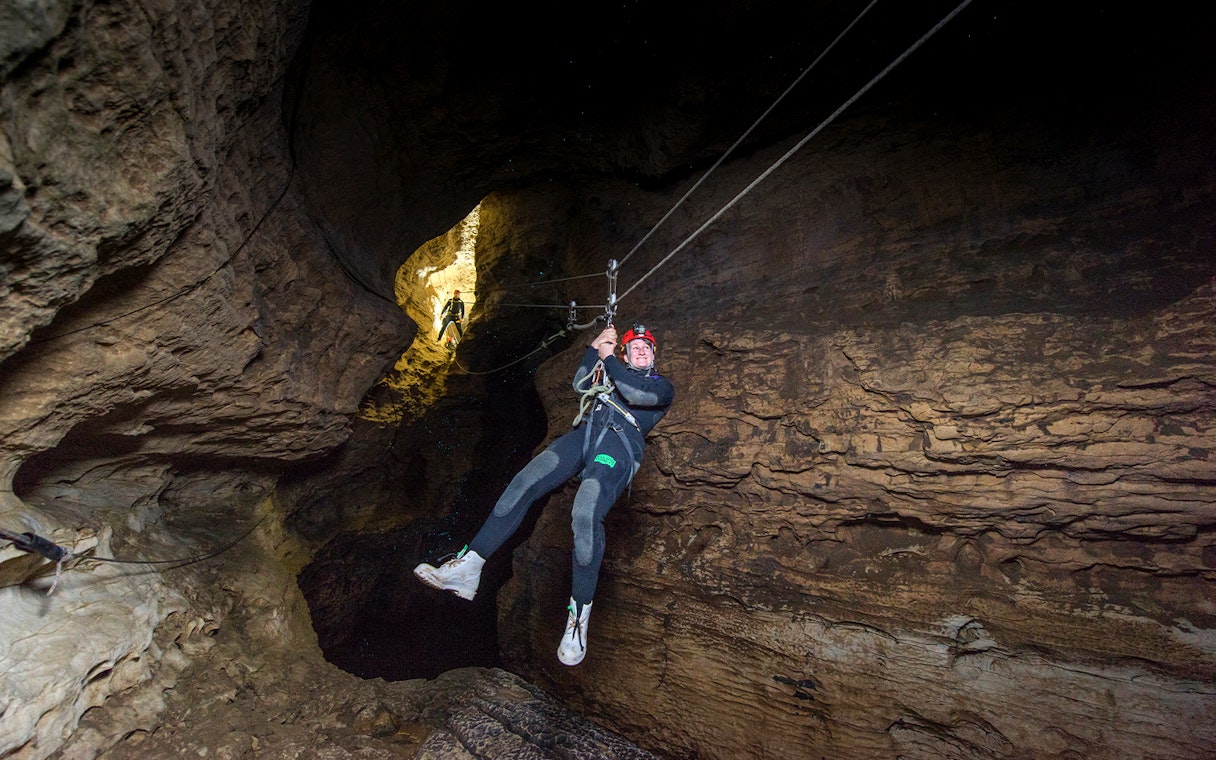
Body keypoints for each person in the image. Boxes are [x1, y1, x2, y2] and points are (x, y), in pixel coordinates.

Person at [414, 322, 675, 666]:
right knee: (525, 481)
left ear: (653, 356)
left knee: (584, 511)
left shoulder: (660, 387)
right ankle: (469, 566)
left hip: (619, 443)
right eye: (634, 347)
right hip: (586, 434)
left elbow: (635, 395)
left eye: (646, 347)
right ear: (627, 354)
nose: (641, 350)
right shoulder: (610, 372)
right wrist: (593, 347)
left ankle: (578, 618)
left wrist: (610, 356)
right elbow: (580, 382)